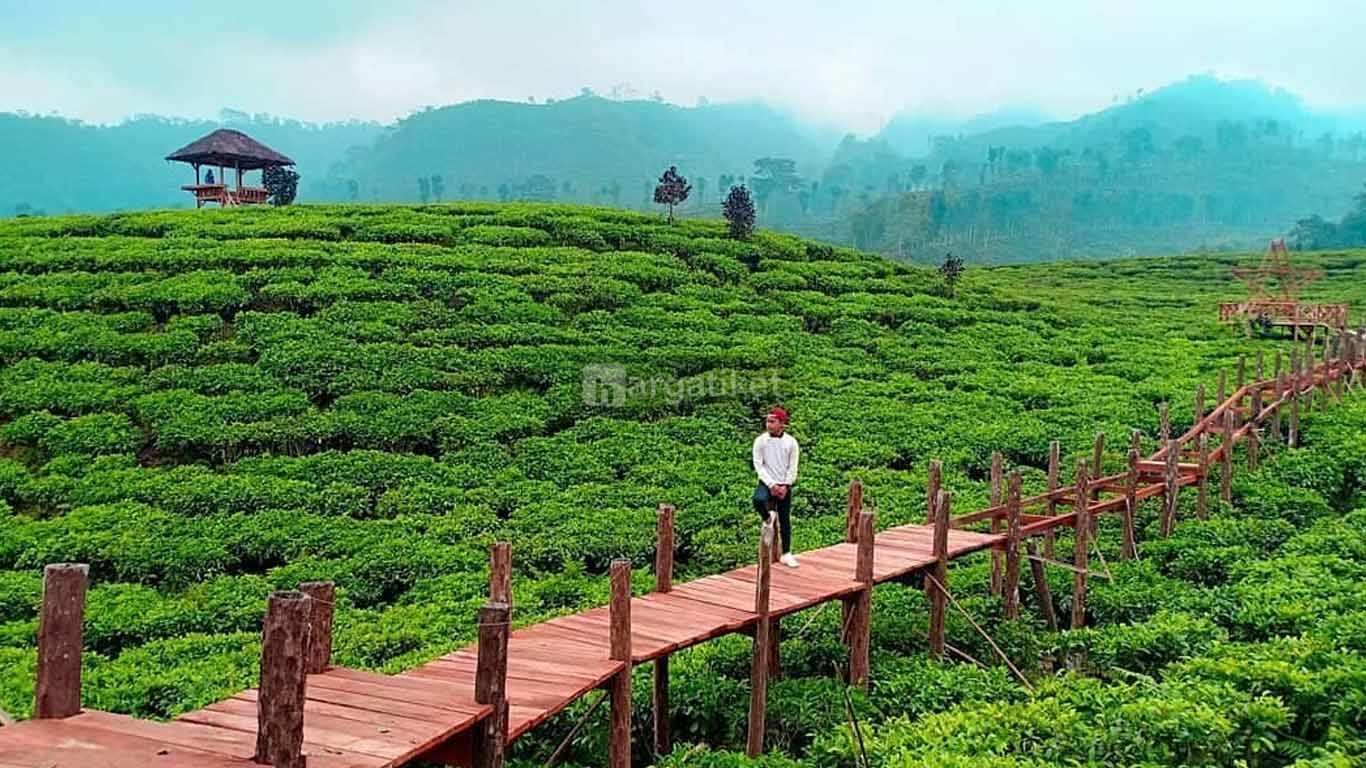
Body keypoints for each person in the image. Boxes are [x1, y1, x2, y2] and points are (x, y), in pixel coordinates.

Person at [752, 406, 801, 567]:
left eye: (772, 421)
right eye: (767, 421)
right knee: (758, 500)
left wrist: (786, 485)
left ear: (782, 423)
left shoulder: (791, 443)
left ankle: (786, 553)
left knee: (785, 519)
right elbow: (758, 465)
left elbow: (792, 467)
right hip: (767, 482)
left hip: (784, 483)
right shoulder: (760, 441)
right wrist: (771, 484)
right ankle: (768, 517)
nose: (768, 424)